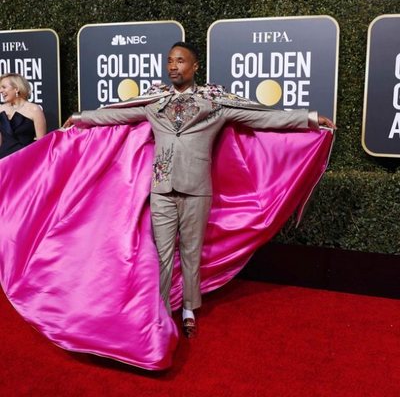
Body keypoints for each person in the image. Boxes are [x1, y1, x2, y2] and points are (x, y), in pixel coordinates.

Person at [64, 41, 335, 338]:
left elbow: (264, 118)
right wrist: (81, 118)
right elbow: (116, 115)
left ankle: (190, 308)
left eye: (180, 61)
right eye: (169, 61)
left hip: (197, 189)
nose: (172, 66)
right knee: (162, 253)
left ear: (194, 67)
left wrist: (307, 118)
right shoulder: (155, 102)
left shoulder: (214, 103)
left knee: (191, 252)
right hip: (161, 188)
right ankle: (162, 311)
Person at [0, 73, 47, 159]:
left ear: (16, 89)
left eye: (4, 87)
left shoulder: (34, 110)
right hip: (3, 161)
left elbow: (42, 143)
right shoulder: (0, 109)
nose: (1, 91)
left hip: (25, 159)